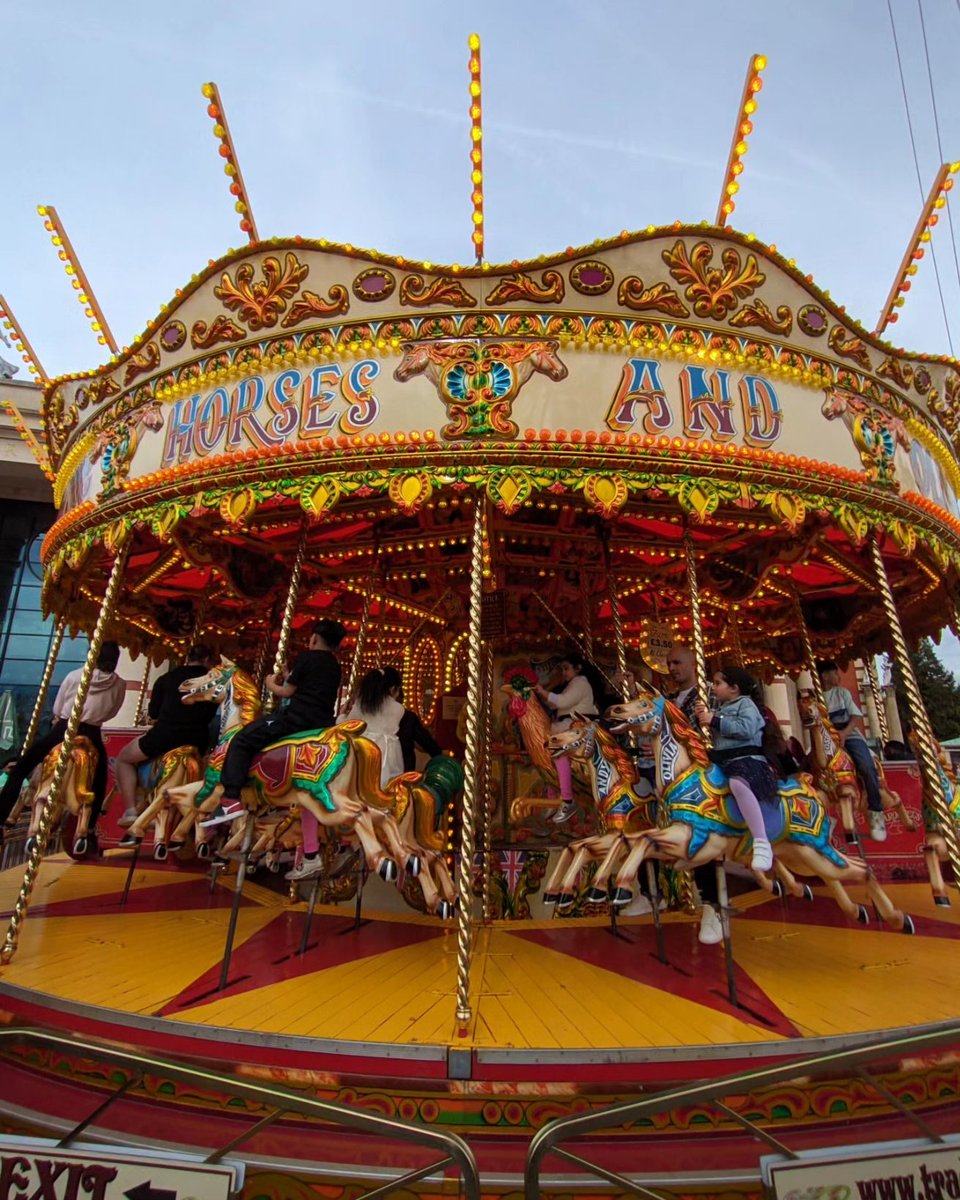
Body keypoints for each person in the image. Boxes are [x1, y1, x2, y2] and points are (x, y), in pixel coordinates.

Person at [202, 618, 346, 830]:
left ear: (314, 638)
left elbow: (286, 692)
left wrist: (270, 684)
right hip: (323, 722)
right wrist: (289, 676)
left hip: (297, 719)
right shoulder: (334, 665)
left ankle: (230, 798)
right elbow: (309, 686)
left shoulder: (307, 658)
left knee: (242, 739)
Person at [0, 641, 125, 840]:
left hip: (65, 729)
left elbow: (58, 708)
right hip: (91, 732)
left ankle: (2, 816)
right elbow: (113, 710)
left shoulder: (75, 676)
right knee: (100, 779)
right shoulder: (119, 684)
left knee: (21, 768)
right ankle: (90, 828)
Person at [113, 645, 219, 827]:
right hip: (198, 739)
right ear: (208, 660)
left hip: (165, 736)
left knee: (123, 759)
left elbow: (154, 713)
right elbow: (211, 713)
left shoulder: (166, 679)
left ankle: (130, 810)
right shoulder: (214, 683)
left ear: (188, 657)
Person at [662, 646, 723, 944]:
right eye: (669, 663)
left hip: (705, 770)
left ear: (694, 662)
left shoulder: (709, 694)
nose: (672, 668)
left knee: (702, 833)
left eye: (678, 663)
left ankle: (713, 904)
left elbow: (711, 731)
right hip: (676, 777)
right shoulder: (669, 699)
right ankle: (653, 891)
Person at [694, 664, 779, 873]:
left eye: (717, 683)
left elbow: (746, 729)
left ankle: (761, 842)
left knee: (737, 784)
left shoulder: (746, 705)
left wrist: (715, 720)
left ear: (734, 688)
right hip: (725, 760)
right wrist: (703, 720)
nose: (713, 688)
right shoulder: (721, 709)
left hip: (747, 759)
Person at [816, 660, 887, 842]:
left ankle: (876, 811)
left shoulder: (842, 693)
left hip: (850, 735)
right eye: (835, 672)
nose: (839, 676)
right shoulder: (818, 699)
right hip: (828, 738)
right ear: (824, 676)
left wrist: (844, 733)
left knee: (866, 766)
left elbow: (856, 716)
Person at [534, 650, 603, 824]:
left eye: (566, 669)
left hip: (578, 729)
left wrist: (543, 691)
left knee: (558, 752)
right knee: (547, 758)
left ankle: (567, 799)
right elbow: (557, 702)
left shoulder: (580, 682)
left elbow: (562, 702)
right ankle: (552, 796)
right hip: (567, 728)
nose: (563, 673)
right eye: (562, 669)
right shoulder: (572, 684)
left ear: (578, 668)